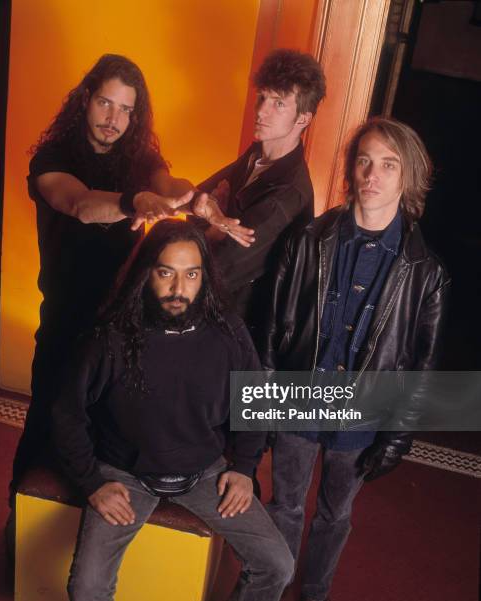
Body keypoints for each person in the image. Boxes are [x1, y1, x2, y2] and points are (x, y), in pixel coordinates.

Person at [11, 53, 250, 491]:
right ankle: (17, 519)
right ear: (85, 99)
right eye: (105, 103)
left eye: (125, 109)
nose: (113, 118)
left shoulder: (139, 156)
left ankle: (88, 516)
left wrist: (195, 199)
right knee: (49, 418)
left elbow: (168, 185)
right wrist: (133, 202)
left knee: (105, 429)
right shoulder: (53, 156)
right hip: (67, 317)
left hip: (120, 320)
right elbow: (79, 204)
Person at [52, 219, 294, 601]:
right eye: (166, 273)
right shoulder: (110, 337)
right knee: (87, 587)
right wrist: (92, 483)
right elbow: (66, 414)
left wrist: (245, 469)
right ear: (146, 273)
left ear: (205, 277)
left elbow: (255, 401)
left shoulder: (228, 332)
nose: (179, 289)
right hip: (125, 473)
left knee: (278, 565)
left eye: (191, 274)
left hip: (203, 474)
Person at [261, 117, 450, 601]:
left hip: (361, 417)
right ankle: (274, 587)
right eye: (364, 160)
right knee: (284, 506)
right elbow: (272, 328)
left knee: (334, 515)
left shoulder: (426, 273)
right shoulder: (306, 241)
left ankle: (314, 594)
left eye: (389, 165)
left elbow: (420, 368)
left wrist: (397, 438)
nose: (373, 174)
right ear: (351, 169)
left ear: (408, 177)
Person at [197, 49, 326, 342]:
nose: (260, 110)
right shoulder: (257, 154)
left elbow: (217, 270)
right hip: (210, 317)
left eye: (278, 103)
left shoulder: (288, 193)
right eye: (262, 97)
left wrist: (213, 225)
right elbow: (197, 198)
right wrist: (214, 217)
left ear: (303, 118)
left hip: (230, 333)